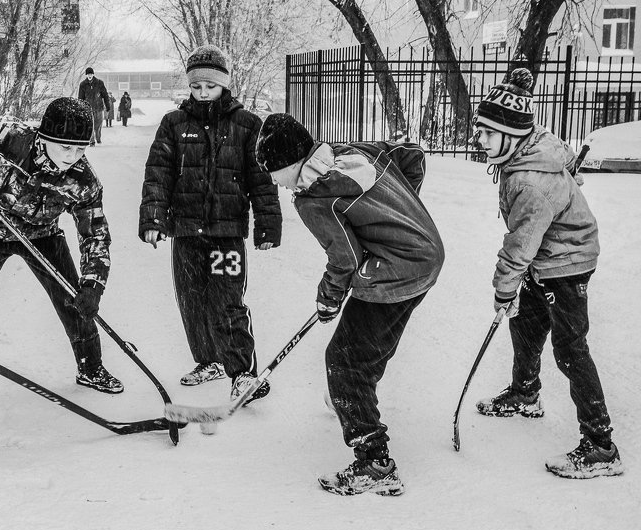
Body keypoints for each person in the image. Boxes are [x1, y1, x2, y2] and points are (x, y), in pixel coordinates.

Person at [255, 113, 444, 497]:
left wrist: (328, 300)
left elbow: (344, 258)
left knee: (344, 359)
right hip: (426, 257)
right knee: (370, 344)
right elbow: (412, 156)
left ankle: (375, 462)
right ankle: (350, 398)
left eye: (272, 171)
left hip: (392, 271)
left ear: (292, 164)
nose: (271, 180)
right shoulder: (354, 152)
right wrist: (397, 214)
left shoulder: (314, 198)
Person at [471, 68, 623, 479]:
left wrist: (503, 290)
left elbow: (520, 244)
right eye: (479, 130)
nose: (479, 140)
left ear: (510, 133)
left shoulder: (529, 181)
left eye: (487, 132)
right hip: (547, 253)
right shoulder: (526, 152)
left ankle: (600, 446)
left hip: (566, 260)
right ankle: (524, 394)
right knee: (526, 321)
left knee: (570, 348)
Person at [0, 97, 121, 412]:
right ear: (44, 138)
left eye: (80, 149)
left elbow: (95, 232)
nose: (71, 157)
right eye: (64, 148)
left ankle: (90, 367)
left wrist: (94, 283)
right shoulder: (14, 138)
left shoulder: (84, 180)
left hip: (42, 233)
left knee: (73, 297)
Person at [139, 44, 281, 404]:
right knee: (191, 300)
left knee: (226, 301)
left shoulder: (247, 125)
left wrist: (267, 225)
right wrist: (154, 218)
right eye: (196, 86)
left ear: (224, 85)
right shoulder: (174, 124)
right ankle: (208, 361)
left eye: (210, 87)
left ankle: (243, 373)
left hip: (226, 234)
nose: (202, 93)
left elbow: (261, 180)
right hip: (185, 231)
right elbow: (158, 174)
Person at [77, 67, 112, 144]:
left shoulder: (99, 83)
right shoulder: (83, 84)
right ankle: (91, 140)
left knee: (98, 124)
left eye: (91, 74)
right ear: (86, 75)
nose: (90, 75)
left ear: (93, 74)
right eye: (88, 74)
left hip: (99, 107)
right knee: (90, 125)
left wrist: (107, 105)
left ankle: (98, 137)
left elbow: (105, 95)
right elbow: (80, 98)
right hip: (88, 108)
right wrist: (80, 108)